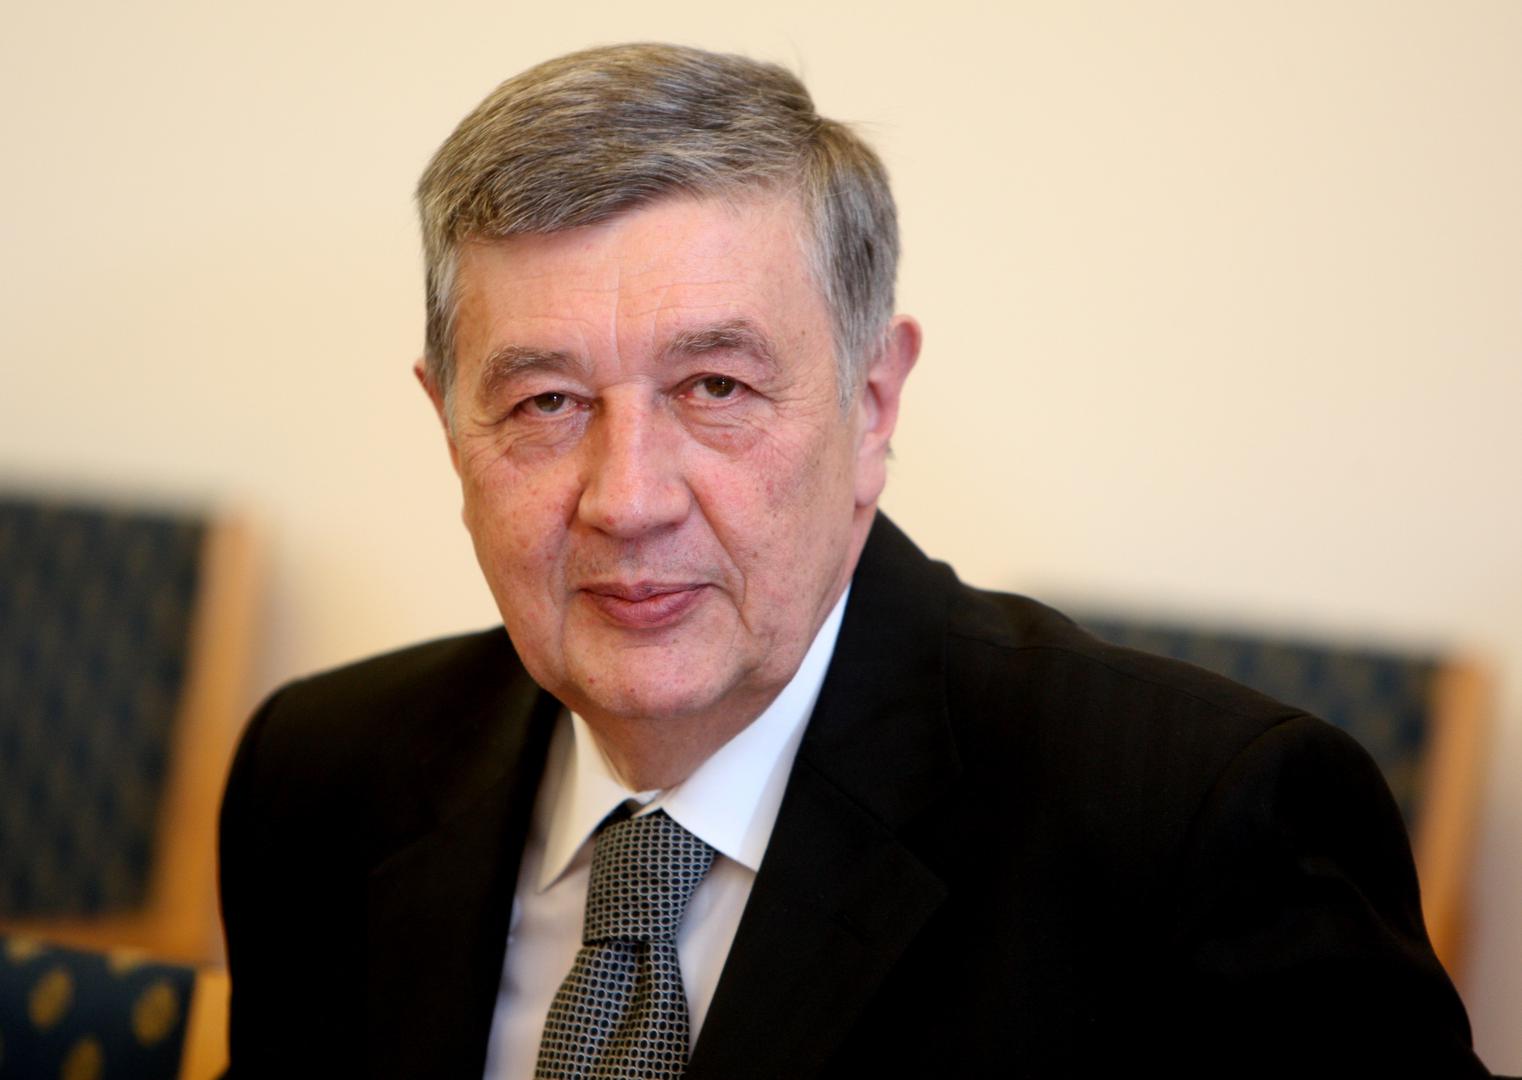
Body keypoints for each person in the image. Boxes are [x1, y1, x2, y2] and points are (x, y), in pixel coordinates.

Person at [219, 43, 1492, 1078]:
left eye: (715, 387)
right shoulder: (321, 777)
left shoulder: (1194, 829)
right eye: (545, 403)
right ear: (448, 424)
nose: (628, 500)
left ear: (872, 405)